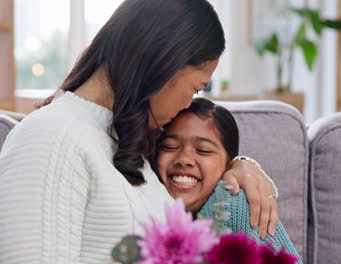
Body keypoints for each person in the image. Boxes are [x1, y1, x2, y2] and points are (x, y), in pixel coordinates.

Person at [0, 1, 277, 263]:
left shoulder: (123, 141)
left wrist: (239, 164)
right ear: (165, 62)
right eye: (195, 88)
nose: (186, 105)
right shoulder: (53, 137)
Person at [154, 98, 302, 263]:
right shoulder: (139, 204)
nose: (184, 159)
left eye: (203, 150)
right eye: (169, 147)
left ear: (228, 165)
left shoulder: (235, 204)